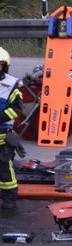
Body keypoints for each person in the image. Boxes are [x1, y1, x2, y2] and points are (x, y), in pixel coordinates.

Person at [0, 47, 25, 212]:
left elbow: (17, 109)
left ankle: (9, 199)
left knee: (4, 170)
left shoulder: (11, 84)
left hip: (2, 137)